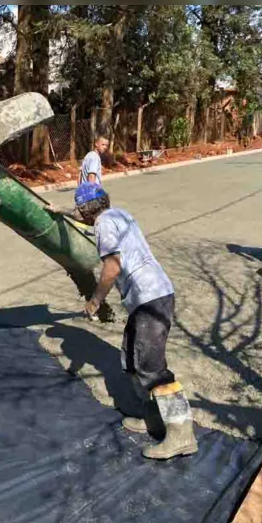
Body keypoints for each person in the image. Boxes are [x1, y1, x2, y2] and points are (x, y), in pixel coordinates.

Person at [44, 183, 198, 460]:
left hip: (151, 299)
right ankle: (154, 418)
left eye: (78, 208)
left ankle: (182, 434)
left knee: (152, 368)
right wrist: (62, 211)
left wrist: (95, 301)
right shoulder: (117, 214)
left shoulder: (103, 225)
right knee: (131, 358)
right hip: (150, 296)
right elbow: (85, 216)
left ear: (86, 208)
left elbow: (112, 267)